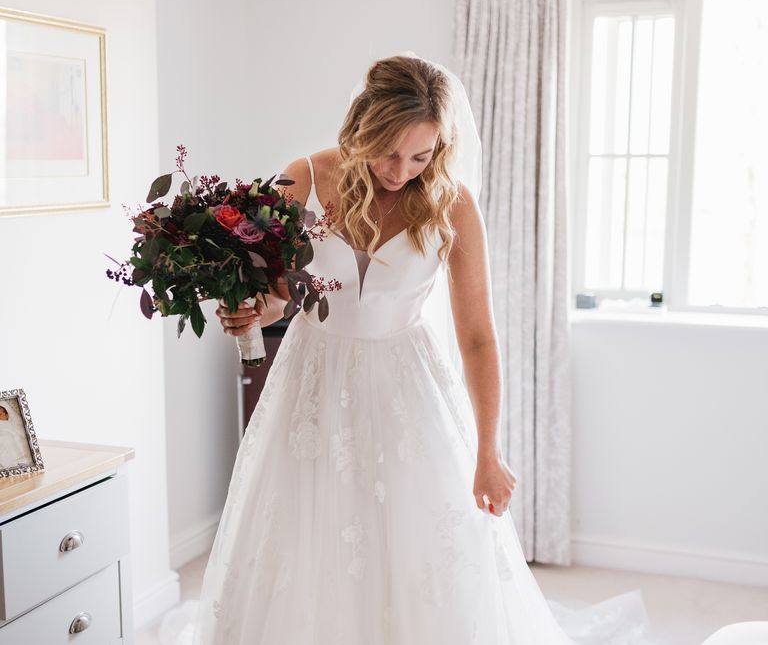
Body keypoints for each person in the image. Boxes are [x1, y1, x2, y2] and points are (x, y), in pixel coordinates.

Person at [160, 55, 653, 645]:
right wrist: (247, 309)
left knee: (419, 551)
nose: (401, 170)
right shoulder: (305, 179)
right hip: (313, 384)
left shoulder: (452, 203)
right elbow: (278, 296)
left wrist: (487, 452)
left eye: (421, 156)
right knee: (305, 543)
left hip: (407, 388)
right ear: (362, 127)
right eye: (389, 152)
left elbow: (477, 337)